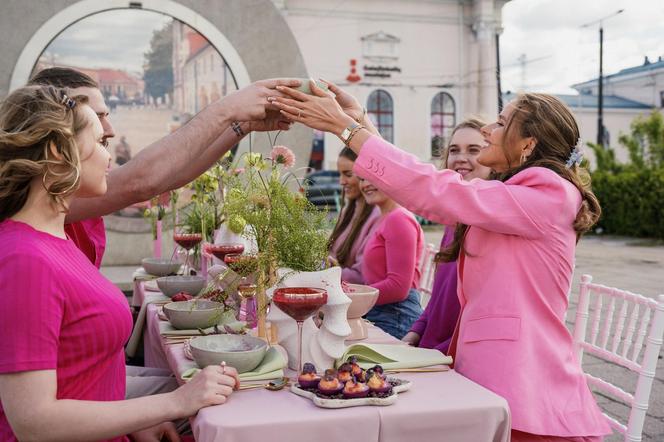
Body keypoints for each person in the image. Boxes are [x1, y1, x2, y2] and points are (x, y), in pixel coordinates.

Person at [270, 83, 611, 441]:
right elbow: (427, 181)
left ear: (528, 144)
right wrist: (360, 123)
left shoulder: (547, 192)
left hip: (523, 378)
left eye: (500, 122)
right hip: (491, 367)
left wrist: (347, 130)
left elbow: (433, 188)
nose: (487, 130)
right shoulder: (519, 195)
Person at [0, 85, 240, 442]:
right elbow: (34, 422)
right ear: (57, 152)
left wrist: (134, 420)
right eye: (98, 143)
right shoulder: (24, 258)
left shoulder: (55, 239)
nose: (109, 157)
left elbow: (82, 377)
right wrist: (177, 401)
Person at [29, 67, 299, 268]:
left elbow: (170, 177)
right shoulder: (41, 190)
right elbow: (141, 182)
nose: (108, 130)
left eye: (105, 116)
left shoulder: (72, 184)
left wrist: (241, 126)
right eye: (96, 117)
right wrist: (226, 110)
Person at [402, 119, 492, 353]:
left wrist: (435, 353)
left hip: (455, 355)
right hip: (427, 347)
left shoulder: (490, 227)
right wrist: (415, 333)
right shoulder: (453, 222)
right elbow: (439, 297)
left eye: (473, 150)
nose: (460, 157)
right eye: (454, 150)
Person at [358, 176, 424, 339]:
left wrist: (353, 299)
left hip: (395, 316)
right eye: (361, 178)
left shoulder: (399, 219)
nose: (365, 184)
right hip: (383, 312)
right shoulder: (385, 217)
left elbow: (398, 287)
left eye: (373, 177)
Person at [327, 147, 380, 284]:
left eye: (348, 174)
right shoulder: (349, 210)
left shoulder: (378, 216)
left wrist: (329, 269)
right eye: (340, 174)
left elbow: (362, 277)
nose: (341, 181)